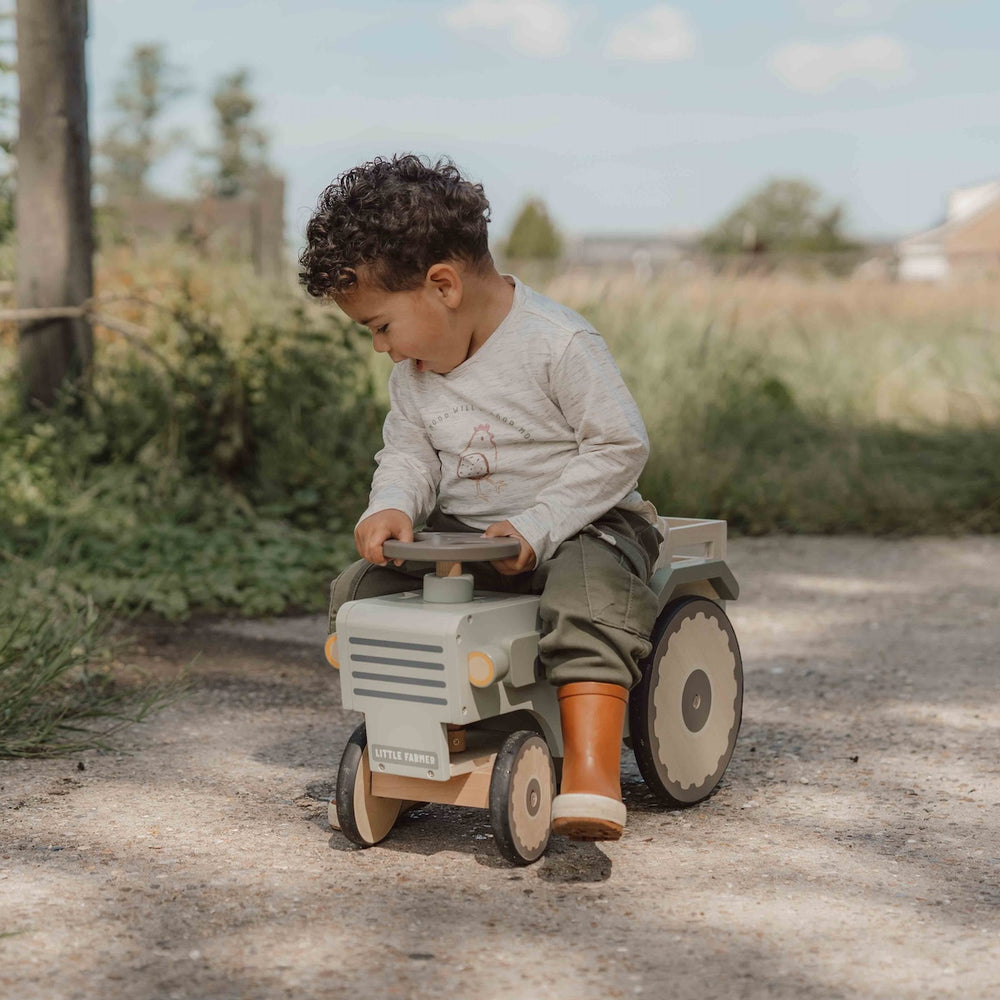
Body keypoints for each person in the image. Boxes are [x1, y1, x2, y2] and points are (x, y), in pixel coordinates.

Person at [299, 154, 661, 841]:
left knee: (589, 596)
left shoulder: (556, 343)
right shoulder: (415, 374)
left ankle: (589, 771)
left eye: (380, 325)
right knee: (361, 592)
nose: (381, 348)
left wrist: (538, 523)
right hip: (466, 538)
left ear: (443, 286)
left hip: (586, 525)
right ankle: (416, 745)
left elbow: (619, 446)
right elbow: (409, 452)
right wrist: (394, 505)